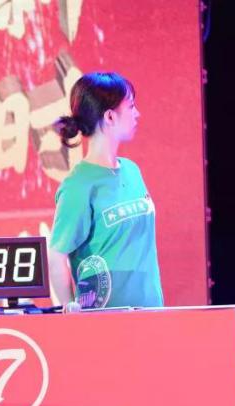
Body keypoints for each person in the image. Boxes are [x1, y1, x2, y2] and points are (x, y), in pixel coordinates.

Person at [48, 72, 164, 310]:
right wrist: (70, 308)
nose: (137, 113)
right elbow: (56, 256)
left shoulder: (132, 171)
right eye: (131, 106)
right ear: (110, 116)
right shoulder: (77, 186)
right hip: (106, 319)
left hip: (151, 311)